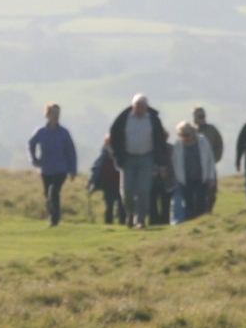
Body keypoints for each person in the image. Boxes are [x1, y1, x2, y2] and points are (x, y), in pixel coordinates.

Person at [107, 93, 167, 229]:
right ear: (133, 106)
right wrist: (117, 155)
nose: (140, 109)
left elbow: (160, 140)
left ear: (146, 107)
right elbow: (114, 137)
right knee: (127, 190)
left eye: (142, 106)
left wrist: (161, 163)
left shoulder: (153, 119)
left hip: (146, 157)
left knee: (144, 190)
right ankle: (129, 213)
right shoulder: (123, 119)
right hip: (128, 158)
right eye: (137, 106)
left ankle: (140, 219)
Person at [26, 103, 80, 227]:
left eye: (58, 114)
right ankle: (51, 216)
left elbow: (71, 151)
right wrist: (34, 160)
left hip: (61, 169)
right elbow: (31, 145)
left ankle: (54, 219)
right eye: (54, 113)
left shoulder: (64, 133)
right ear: (48, 115)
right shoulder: (41, 132)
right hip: (45, 169)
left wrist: (73, 170)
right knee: (47, 194)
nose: (56, 116)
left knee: (53, 192)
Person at [187, 106, 226, 215]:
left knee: (211, 191)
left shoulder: (211, 130)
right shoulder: (190, 130)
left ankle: (208, 211)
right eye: (200, 116)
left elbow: (219, 144)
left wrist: (215, 158)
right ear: (194, 117)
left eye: (203, 115)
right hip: (194, 168)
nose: (202, 118)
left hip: (210, 166)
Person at [171, 122, 207, 224]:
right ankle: (190, 221)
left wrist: (211, 176)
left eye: (187, 135)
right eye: (182, 135)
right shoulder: (178, 144)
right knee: (188, 201)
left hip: (200, 176)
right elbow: (175, 162)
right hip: (185, 178)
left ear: (192, 132)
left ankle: (202, 220)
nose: (185, 137)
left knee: (201, 200)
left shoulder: (202, 141)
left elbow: (208, 159)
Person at [86, 135, 124, 225]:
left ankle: (123, 222)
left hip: (120, 184)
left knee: (122, 206)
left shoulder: (120, 156)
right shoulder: (103, 157)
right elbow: (95, 168)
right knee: (109, 206)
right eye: (108, 144)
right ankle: (108, 223)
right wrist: (91, 180)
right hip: (108, 186)